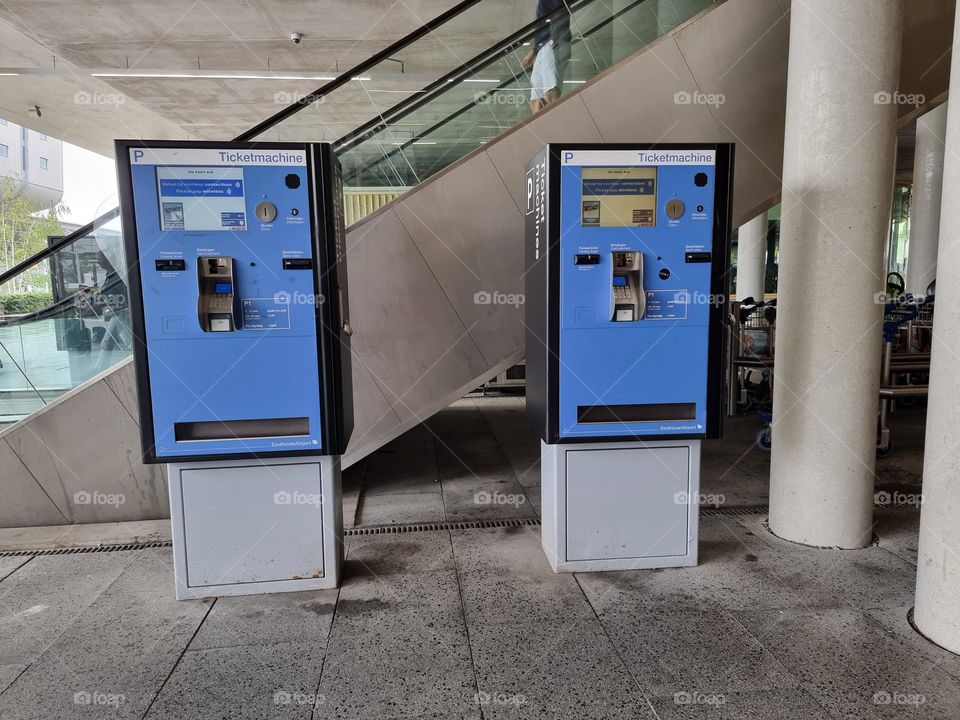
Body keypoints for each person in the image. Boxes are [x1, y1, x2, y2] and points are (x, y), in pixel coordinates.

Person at [521, 0, 572, 113]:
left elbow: (561, 12)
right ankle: (541, 129)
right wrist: (535, 50)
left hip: (553, 44)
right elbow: (542, 23)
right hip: (543, 48)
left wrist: (554, 41)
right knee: (536, 101)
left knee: (550, 94)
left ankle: (559, 125)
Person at [91, 250, 130, 372]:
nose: (98, 263)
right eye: (97, 260)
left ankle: (100, 369)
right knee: (125, 339)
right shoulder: (110, 275)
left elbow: (119, 294)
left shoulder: (117, 275)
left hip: (122, 312)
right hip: (117, 313)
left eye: (100, 260)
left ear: (108, 260)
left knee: (108, 341)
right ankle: (101, 368)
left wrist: (103, 299)